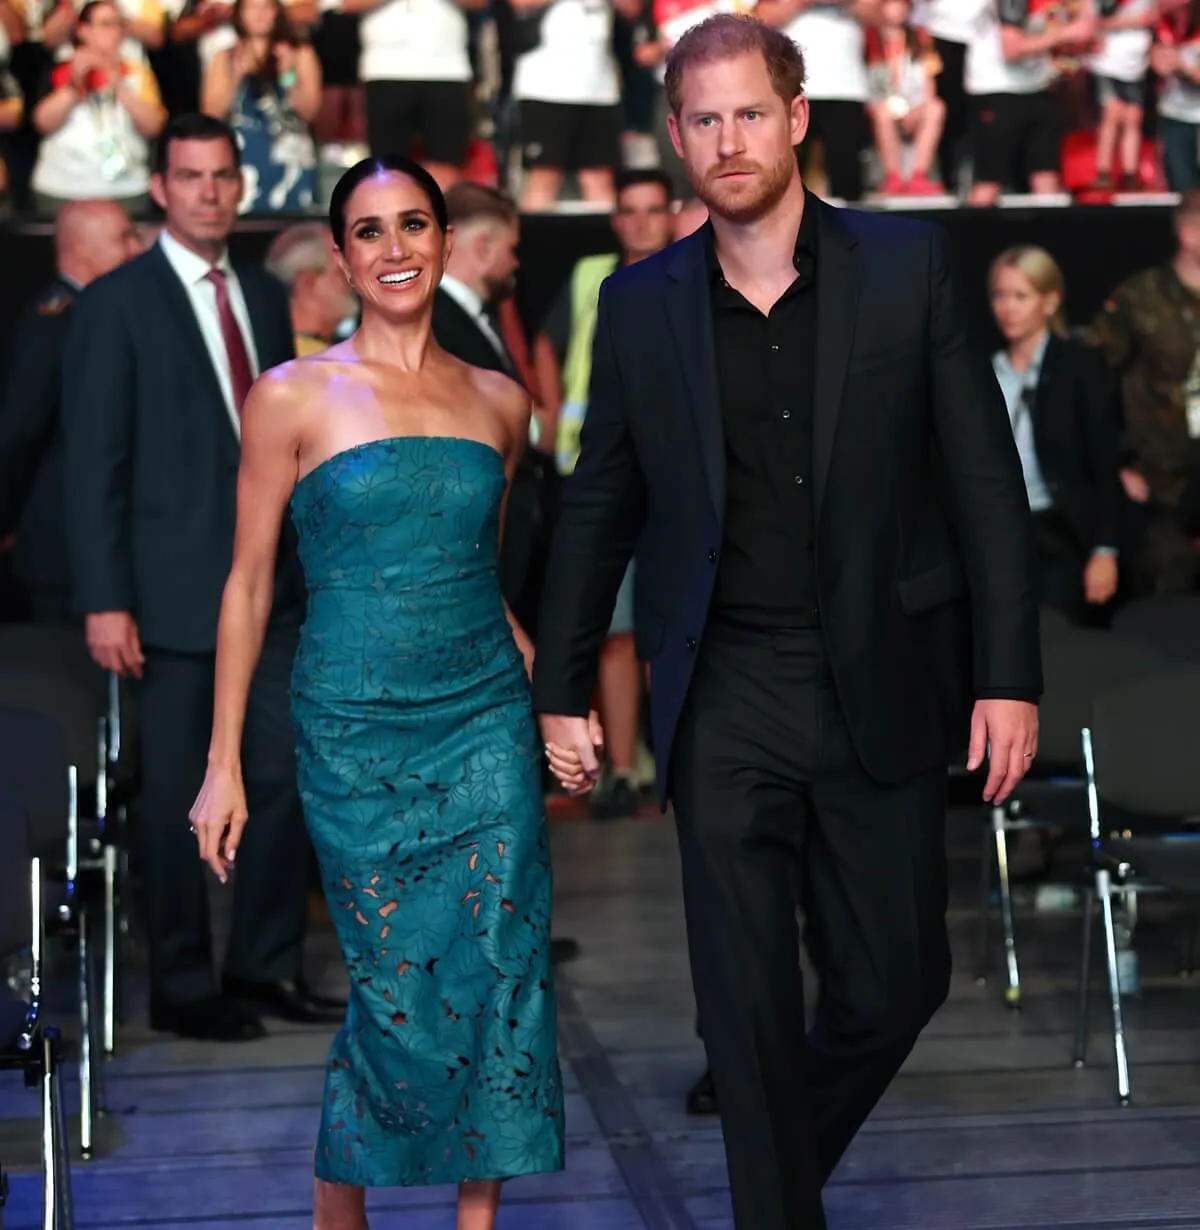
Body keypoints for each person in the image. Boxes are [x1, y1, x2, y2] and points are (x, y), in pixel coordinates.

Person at [532, 15, 1041, 1230]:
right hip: (724, 689)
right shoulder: (643, 300)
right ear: (673, 137)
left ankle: (776, 1164)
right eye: (702, 119)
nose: (727, 139)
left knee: (899, 982)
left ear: (799, 116)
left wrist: (1009, 674)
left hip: (881, 671)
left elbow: (983, 484)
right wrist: (558, 682)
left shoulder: (905, 268)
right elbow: (600, 495)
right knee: (745, 1002)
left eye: (749, 112)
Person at [187, 154, 565, 1230]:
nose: (394, 248)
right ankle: (338, 1210)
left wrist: (554, 698)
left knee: (500, 965)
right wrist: (222, 767)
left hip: (482, 719)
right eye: (369, 231)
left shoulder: (502, 401)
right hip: (353, 730)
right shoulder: (291, 395)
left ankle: (474, 1223)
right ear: (342, 256)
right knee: (394, 984)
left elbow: (482, 578)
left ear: (446, 245)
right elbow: (249, 584)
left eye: (414, 226)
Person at [63, 113, 340, 1041]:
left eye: (224, 176)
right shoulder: (115, 304)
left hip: (271, 590)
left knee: (281, 777)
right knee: (180, 790)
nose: (211, 191)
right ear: (162, 189)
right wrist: (106, 597)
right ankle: (183, 987)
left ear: (241, 186)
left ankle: (261, 968)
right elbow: (93, 461)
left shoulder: (264, 296)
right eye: (192, 177)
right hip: (171, 598)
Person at [0, 199, 140, 624]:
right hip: (59, 544)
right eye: (123, 238)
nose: (136, 248)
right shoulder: (57, 321)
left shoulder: (102, 314)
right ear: (81, 250)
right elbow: (18, 431)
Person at [988, 245, 1122, 624]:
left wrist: (1105, 548)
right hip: (996, 533)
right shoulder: (984, 369)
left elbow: (1103, 462)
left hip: (1059, 535)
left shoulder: (1079, 367)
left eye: (1020, 296)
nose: (1008, 308)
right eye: (1000, 295)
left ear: (1049, 302)